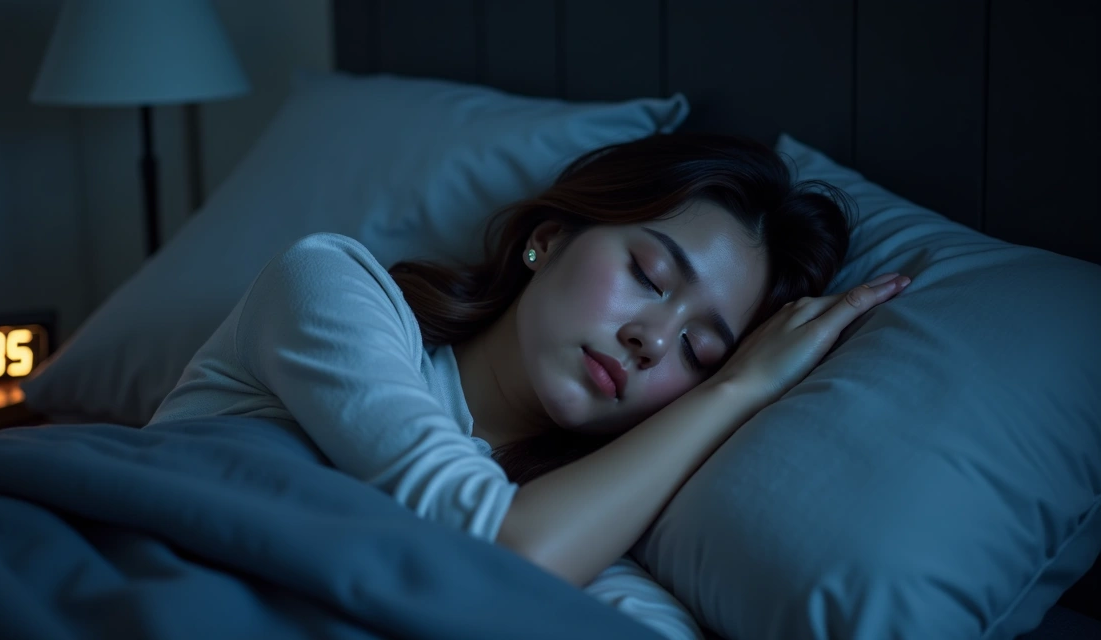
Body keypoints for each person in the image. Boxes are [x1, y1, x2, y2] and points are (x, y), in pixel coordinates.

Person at [149, 132, 911, 638]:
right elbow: (504, 547)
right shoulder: (329, 288)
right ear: (547, 239)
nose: (653, 340)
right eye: (648, 274)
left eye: (701, 350)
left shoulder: (589, 542)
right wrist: (735, 389)